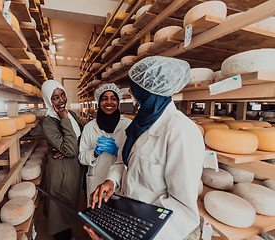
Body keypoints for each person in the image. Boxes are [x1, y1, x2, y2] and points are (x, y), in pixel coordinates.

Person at [84, 56, 205, 240]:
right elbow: (123, 161)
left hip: (150, 230)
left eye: (134, 93)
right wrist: (111, 181)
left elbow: (183, 209)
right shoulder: (139, 124)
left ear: (147, 92)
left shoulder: (181, 131)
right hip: (128, 216)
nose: (132, 98)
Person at [41, 80, 84, 240]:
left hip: (74, 167)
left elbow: (80, 141)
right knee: (59, 208)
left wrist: (71, 149)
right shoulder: (49, 122)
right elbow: (71, 149)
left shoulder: (72, 114)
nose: (61, 100)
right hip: (62, 170)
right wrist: (64, 119)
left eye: (63, 95)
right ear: (47, 100)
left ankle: (68, 235)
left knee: (69, 206)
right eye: (55, 98)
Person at [79, 83, 132, 205]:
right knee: (96, 216)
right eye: (104, 98)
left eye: (113, 98)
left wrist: (118, 152)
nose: (109, 102)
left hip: (119, 182)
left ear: (118, 102)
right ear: (98, 102)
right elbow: (81, 157)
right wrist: (94, 153)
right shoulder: (89, 127)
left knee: (117, 218)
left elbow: (134, 155)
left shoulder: (128, 125)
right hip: (96, 180)